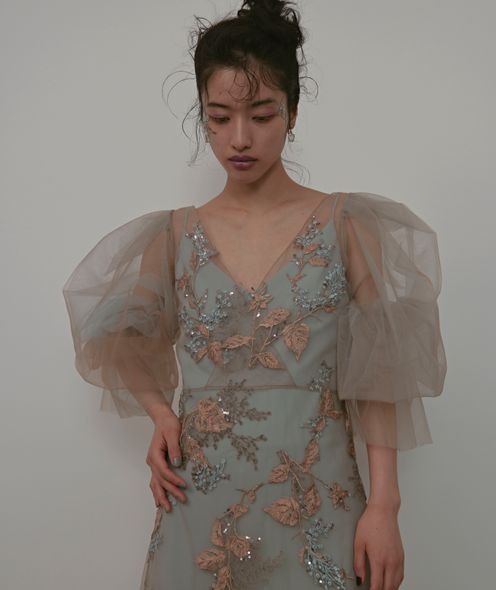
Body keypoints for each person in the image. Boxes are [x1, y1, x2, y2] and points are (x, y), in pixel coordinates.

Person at [62, 1, 447, 589]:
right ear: (203, 117)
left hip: (320, 500)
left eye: (262, 115)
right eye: (219, 118)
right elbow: (117, 337)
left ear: (292, 113)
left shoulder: (346, 225)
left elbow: (380, 375)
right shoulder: (174, 234)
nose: (239, 138)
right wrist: (161, 413)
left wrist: (385, 505)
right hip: (197, 500)